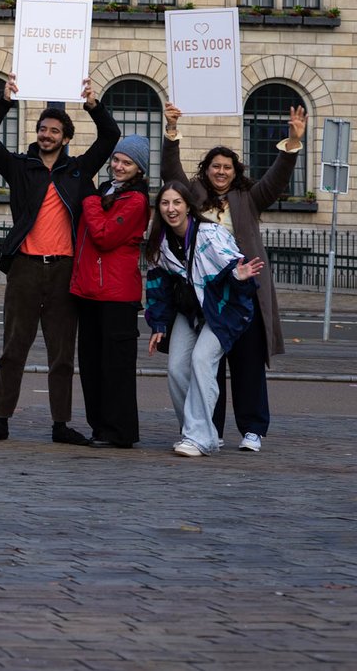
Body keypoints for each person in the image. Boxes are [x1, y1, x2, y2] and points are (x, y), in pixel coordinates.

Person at [0, 76, 120, 446]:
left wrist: (93, 104)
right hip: (24, 267)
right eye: (42, 129)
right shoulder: (20, 167)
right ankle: (1, 419)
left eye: (54, 130)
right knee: (13, 349)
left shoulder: (78, 171)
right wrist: (3, 103)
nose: (47, 135)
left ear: (66, 138)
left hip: (64, 270)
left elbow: (110, 137)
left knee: (61, 354)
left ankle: (61, 424)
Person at [161, 101, 304, 453]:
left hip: (244, 291)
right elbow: (171, 174)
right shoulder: (193, 196)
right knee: (208, 364)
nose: (221, 172)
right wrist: (172, 132)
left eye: (226, 167)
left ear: (234, 170)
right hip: (206, 294)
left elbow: (276, 180)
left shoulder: (249, 197)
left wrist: (292, 143)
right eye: (215, 167)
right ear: (206, 170)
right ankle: (212, 427)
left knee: (248, 363)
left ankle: (253, 429)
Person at [143, 183, 266, 458]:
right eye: (165, 203)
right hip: (191, 312)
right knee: (176, 368)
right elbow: (157, 287)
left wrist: (239, 275)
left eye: (177, 203)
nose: (171, 209)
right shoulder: (160, 242)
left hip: (224, 311)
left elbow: (235, 270)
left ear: (188, 206)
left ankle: (199, 438)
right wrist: (158, 325)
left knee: (201, 360)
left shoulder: (210, 234)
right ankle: (197, 431)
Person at [67, 135, 150, 449]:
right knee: (92, 366)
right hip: (91, 291)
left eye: (126, 163)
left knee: (116, 368)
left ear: (138, 169)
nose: (118, 166)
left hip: (116, 295)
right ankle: (100, 427)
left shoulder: (135, 200)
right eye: (116, 160)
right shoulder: (108, 191)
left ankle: (120, 431)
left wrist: (88, 200)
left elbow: (104, 234)